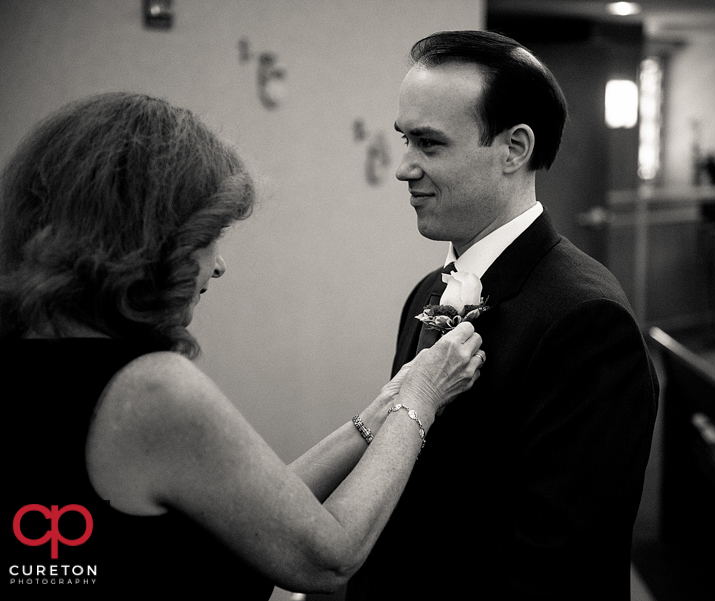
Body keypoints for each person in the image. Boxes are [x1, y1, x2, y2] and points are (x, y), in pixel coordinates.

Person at [0, 92, 485, 600]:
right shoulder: (148, 392)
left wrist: (381, 412)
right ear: (152, 241)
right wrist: (422, 398)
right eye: (208, 237)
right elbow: (327, 556)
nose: (218, 266)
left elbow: (254, 510)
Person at [346, 30, 659, 600]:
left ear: (514, 149)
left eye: (429, 144)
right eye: (405, 141)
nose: (404, 167)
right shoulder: (426, 294)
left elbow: (556, 568)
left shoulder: (587, 321)